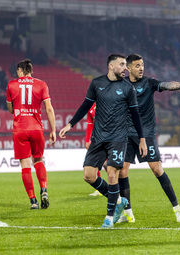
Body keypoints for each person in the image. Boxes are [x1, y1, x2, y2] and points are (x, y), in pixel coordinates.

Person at [59, 54, 147, 228]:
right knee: (88, 176)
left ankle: (109, 217)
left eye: (126, 65)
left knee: (112, 173)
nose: (126, 68)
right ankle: (119, 200)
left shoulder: (128, 88)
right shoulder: (96, 84)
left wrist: (142, 139)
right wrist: (70, 124)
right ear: (111, 66)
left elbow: (136, 116)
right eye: (122, 65)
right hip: (98, 138)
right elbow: (85, 105)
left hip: (118, 138)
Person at [116, 54, 180, 223]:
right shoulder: (121, 85)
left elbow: (167, 85)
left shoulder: (149, 83)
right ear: (128, 68)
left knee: (157, 170)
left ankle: (176, 208)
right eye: (137, 65)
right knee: (122, 171)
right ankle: (128, 213)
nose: (141, 68)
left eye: (142, 65)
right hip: (126, 134)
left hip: (147, 133)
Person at [6, 58, 56, 209]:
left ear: (20, 71)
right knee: (38, 161)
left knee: (25, 165)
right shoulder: (41, 84)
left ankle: (33, 201)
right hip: (36, 128)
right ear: (31, 71)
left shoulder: (11, 85)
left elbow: (10, 109)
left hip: (20, 129)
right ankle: (44, 189)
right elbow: (48, 108)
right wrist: (53, 130)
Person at [85, 102, 106, 196]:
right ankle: (99, 189)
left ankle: (115, 186)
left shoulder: (107, 103)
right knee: (94, 163)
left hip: (108, 139)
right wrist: (87, 140)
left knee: (108, 165)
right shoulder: (91, 106)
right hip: (96, 140)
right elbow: (90, 124)